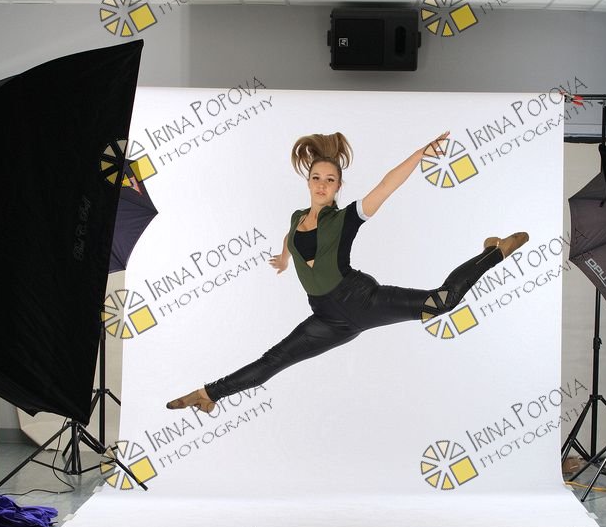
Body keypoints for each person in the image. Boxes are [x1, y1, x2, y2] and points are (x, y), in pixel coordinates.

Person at [166, 131, 528, 413]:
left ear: (338, 186)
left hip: (361, 299)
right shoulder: (296, 217)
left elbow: (385, 185)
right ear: (308, 181)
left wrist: (419, 155)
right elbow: (291, 235)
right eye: (316, 178)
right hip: (328, 319)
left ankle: (494, 252)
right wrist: (284, 258)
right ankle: (207, 394)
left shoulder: (345, 219)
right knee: (272, 361)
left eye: (330, 179)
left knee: (441, 303)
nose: (322, 184)